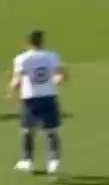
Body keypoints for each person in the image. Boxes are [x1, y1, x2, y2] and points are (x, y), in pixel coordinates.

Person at [9, 30, 65, 175]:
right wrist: (57, 80)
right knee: (51, 129)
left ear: (28, 42)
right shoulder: (52, 56)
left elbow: (16, 81)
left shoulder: (21, 59)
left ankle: (27, 160)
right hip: (49, 96)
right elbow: (60, 75)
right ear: (42, 41)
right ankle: (53, 161)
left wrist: (12, 92)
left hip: (31, 98)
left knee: (28, 129)